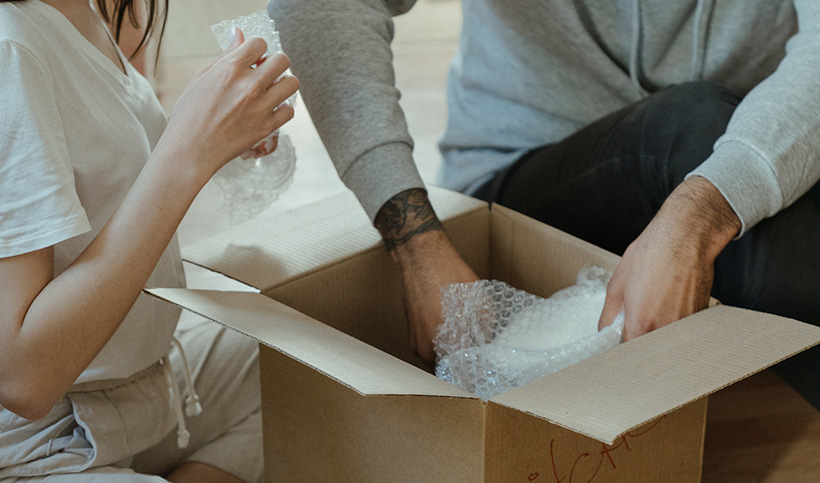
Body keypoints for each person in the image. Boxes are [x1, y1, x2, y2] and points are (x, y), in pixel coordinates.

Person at [268, 0, 820, 407]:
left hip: (733, 166)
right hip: (530, 179)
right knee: (690, 121)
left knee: (732, 141)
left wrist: (698, 215)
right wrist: (415, 241)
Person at [0, 0, 298, 483]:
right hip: (34, 452)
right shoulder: (10, 45)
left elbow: (106, 187)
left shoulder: (87, 10)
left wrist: (215, 132)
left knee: (304, 370)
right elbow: (22, 377)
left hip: (139, 392)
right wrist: (187, 151)